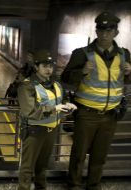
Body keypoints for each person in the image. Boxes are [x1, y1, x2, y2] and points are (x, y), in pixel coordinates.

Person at [61, 11, 131, 190]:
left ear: (116, 33)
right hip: (86, 114)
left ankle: (94, 185)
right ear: (96, 32)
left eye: (109, 31)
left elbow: (124, 82)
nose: (105, 34)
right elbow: (65, 78)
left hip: (110, 115)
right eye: (101, 30)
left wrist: (130, 73)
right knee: (79, 153)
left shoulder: (124, 54)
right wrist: (81, 72)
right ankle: (74, 185)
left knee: (100, 155)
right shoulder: (81, 54)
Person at [17, 49, 77, 190]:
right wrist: (54, 108)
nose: (48, 69)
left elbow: (62, 99)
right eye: (44, 66)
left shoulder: (56, 84)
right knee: (27, 167)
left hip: (51, 131)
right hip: (34, 132)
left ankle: (41, 187)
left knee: (42, 165)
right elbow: (29, 111)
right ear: (36, 67)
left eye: (50, 66)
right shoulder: (27, 86)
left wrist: (67, 104)